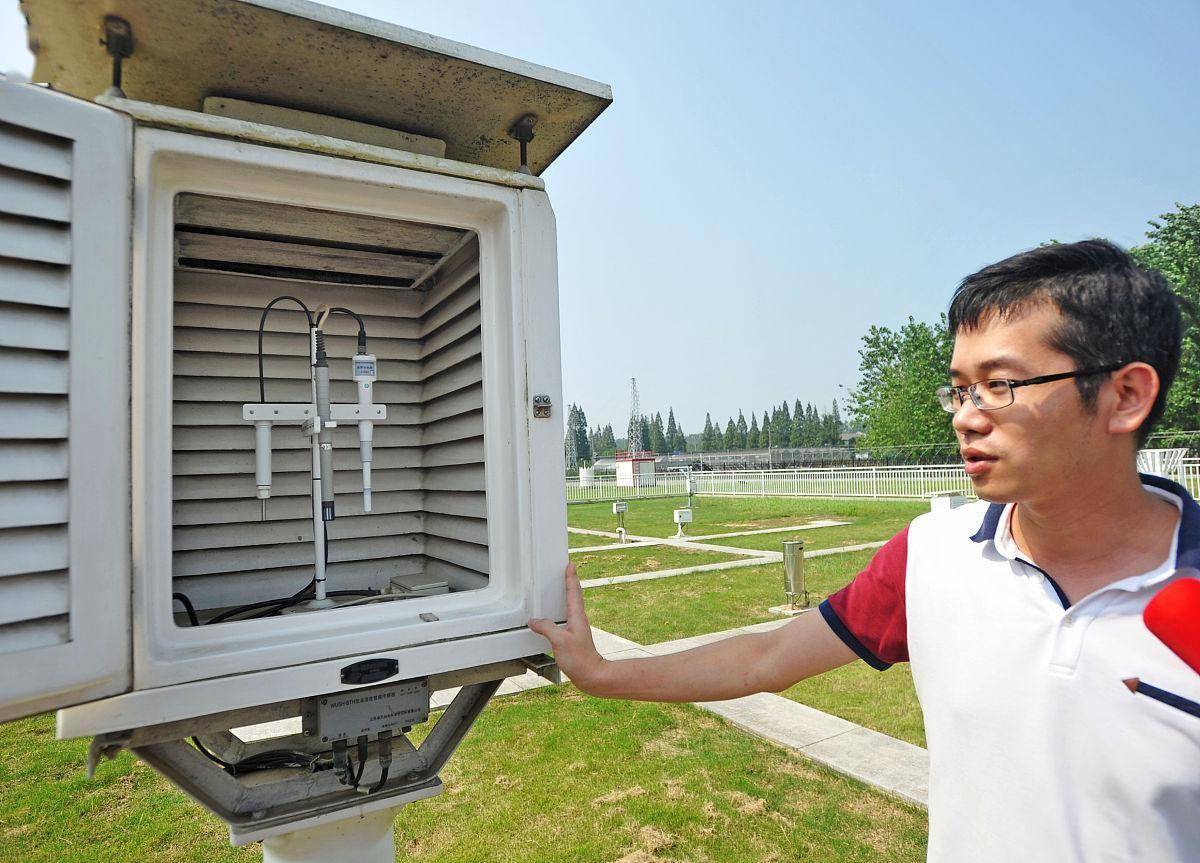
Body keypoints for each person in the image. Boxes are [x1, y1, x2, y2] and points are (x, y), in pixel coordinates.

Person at [529, 239, 1200, 862]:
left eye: (1000, 383)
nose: (965, 414)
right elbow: (767, 656)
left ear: (1125, 395)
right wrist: (603, 673)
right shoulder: (932, 556)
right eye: (960, 388)